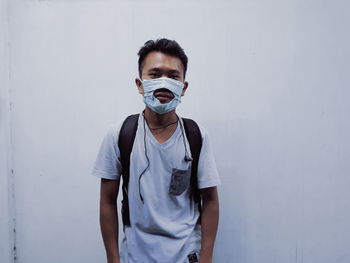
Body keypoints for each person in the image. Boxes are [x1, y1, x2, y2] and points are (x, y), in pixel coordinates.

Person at [92, 38, 221, 263]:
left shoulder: (196, 136)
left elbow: (210, 200)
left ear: (184, 87)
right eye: (155, 74)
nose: (164, 83)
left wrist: (206, 258)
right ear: (140, 84)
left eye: (173, 76)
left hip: (186, 255)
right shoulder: (119, 134)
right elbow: (107, 201)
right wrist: (113, 259)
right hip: (135, 256)